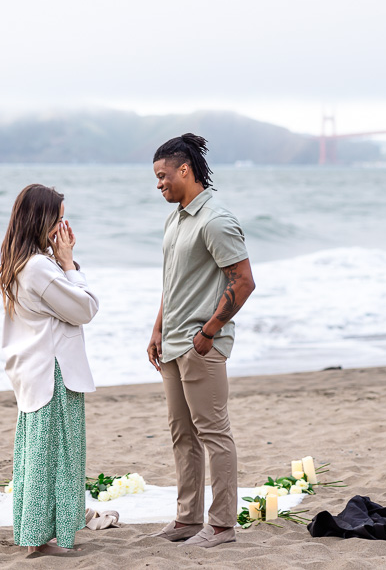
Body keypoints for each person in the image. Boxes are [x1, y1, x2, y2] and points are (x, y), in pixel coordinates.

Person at [147, 133, 256, 548]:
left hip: (200, 344)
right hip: (172, 343)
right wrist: (157, 328)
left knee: (214, 433)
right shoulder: (175, 218)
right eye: (156, 178)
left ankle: (223, 526)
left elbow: (243, 282)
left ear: (184, 170)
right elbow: (171, 281)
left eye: (162, 176)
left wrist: (208, 333)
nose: (159, 184)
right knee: (182, 434)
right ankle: (187, 519)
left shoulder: (216, 220)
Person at [0, 184, 100, 555]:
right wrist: (70, 262)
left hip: (34, 370)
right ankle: (41, 542)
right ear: (41, 221)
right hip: (53, 372)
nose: (61, 229)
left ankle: (38, 534)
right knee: (58, 455)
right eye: (57, 220)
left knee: (39, 453)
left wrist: (62, 263)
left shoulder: (20, 262)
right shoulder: (40, 268)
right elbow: (84, 308)